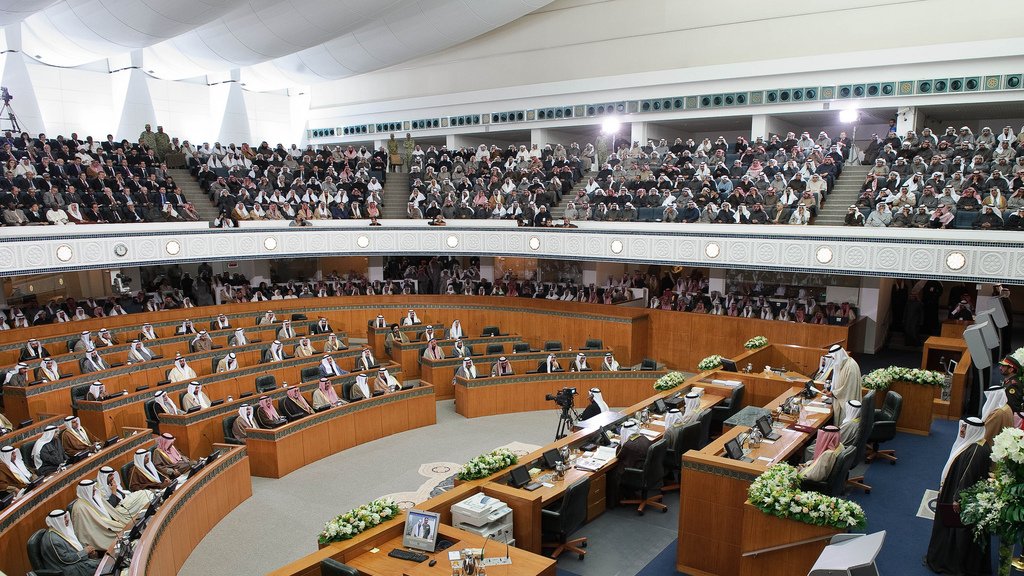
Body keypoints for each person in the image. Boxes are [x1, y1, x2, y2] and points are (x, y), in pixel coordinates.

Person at [927, 416, 992, 576]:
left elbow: (967, 477)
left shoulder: (975, 450)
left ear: (973, 430)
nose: (961, 431)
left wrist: (957, 498)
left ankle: (949, 561)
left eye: (964, 428)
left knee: (955, 530)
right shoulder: (974, 445)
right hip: (957, 492)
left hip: (959, 498)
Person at [40, 509, 101, 576]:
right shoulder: (53, 540)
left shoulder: (61, 531)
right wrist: (85, 552)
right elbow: (64, 560)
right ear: (57, 521)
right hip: (66, 569)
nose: (67, 520)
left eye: (66, 517)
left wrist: (88, 550)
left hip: (76, 562)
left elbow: (75, 546)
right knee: (101, 568)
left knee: (104, 564)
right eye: (64, 518)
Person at [814, 344, 862, 424]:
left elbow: (847, 388)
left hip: (846, 402)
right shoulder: (841, 364)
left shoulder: (850, 367)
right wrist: (830, 390)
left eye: (834, 358)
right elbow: (837, 381)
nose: (833, 360)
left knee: (842, 425)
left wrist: (833, 393)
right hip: (838, 397)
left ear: (838, 356)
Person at [70, 479, 124, 549]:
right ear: (86, 491)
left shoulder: (95, 497)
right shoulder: (79, 508)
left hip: (105, 525)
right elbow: (83, 530)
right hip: (97, 531)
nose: (95, 490)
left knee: (121, 528)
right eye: (93, 488)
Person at [610, 419, 652, 505]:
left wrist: (621, 442)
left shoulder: (628, 445)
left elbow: (618, 455)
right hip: (647, 471)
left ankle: (615, 501)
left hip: (635, 474)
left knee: (612, 471)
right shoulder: (645, 438)